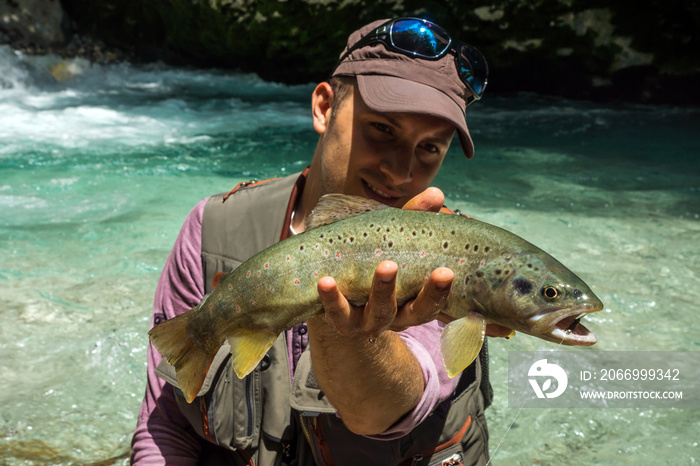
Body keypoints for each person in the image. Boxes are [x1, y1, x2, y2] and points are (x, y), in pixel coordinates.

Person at [131, 17, 511, 466]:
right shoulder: (214, 228)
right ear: (324, 107)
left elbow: (384, 411)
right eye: (382, 130)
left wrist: (351, 329)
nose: (401, 171)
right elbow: (165, 425)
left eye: (430, 148)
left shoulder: (454, 260)